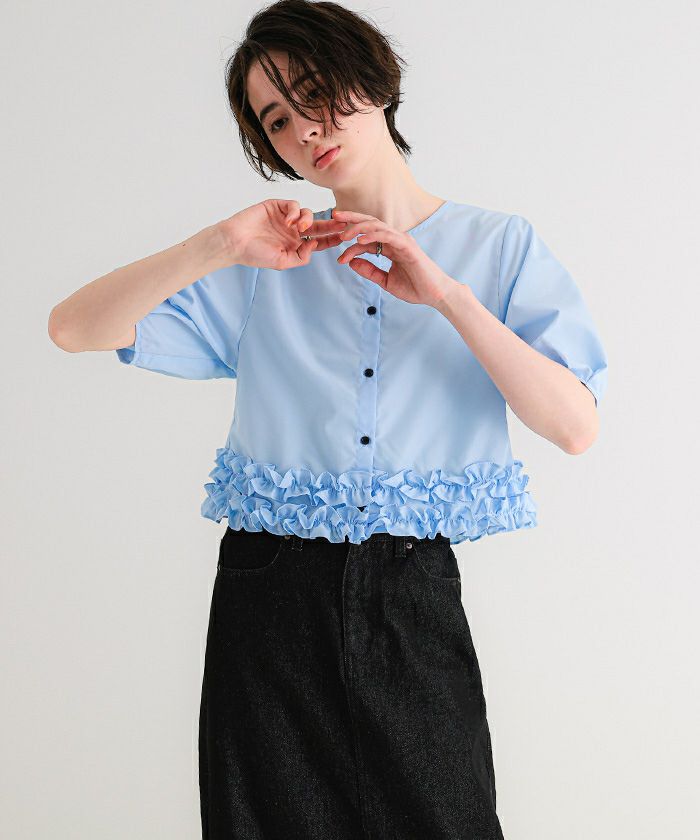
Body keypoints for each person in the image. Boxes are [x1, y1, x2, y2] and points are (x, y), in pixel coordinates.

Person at [47, 1, 608, 837]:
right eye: (277, 119)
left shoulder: (499, 248)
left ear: (373, 78)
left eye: (314, 91)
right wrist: (217, 245)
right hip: (268, 598)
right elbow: (73, 328)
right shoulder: (265, 261)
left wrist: (446, 296)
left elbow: (574, 426)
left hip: (411, 595)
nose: (305, 128)